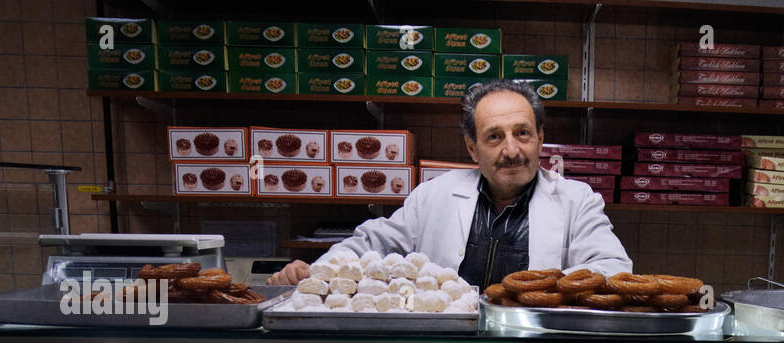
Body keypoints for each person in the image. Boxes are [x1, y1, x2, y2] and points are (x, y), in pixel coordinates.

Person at [268, 80, 632, 287]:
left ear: (540, 138)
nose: (511, 150)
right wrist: (318, 271)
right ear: (473, 148)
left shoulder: (576, 199)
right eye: (494, 137)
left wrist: (541, 290)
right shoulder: (435, 195)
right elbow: (371, 243)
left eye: (522, 133)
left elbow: (613, 266)